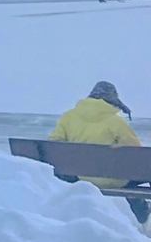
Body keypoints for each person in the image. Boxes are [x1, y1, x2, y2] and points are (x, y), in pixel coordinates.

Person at [49, 81, 150, 225]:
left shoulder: (68, 117)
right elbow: (134, 151)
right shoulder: (115, 121)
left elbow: (54, 144)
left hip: (80, 177)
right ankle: (144, 219)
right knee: (133, 176)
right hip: (115, 179)